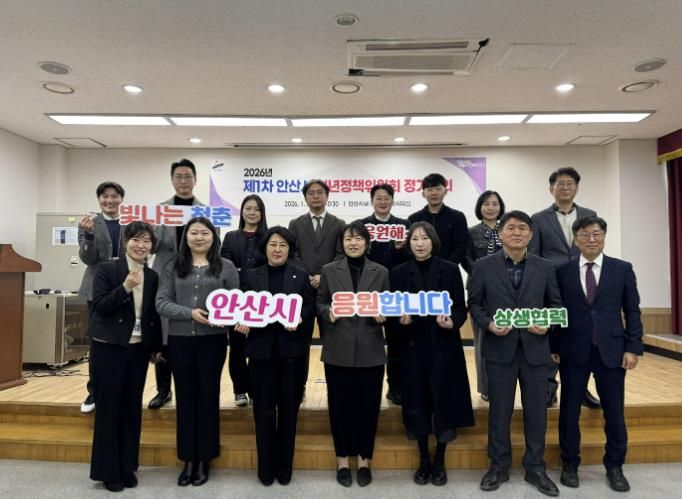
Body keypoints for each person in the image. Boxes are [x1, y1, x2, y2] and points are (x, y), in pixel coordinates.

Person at [468, 210, 562, 496]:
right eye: (511, 228)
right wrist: (488, 324)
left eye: (523, 228)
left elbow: (556, 305)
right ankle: (498, 466)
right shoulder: (483, 266)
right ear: (501, 233)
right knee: (499, 412)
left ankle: (535, 468)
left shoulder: (545, 267)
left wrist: (548, 323)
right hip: (500, 350)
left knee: (537, 412)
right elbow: (475, 303)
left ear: (531, 235)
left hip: (536, 351)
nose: (517, 232)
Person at [554, 216, 643, 492]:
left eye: (596, 234)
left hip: (612, 351)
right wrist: (554, 346)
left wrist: (633, 347)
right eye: (584, 234)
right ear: (575, 239)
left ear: (604, 237)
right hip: (573, 350)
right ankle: (570, 464)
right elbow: (556, 311)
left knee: (614, 412)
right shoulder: (562, 271)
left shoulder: (622, 269)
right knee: (569, 411)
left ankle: (615, 466)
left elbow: (632, 310)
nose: (591, 239)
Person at [156, 217, 239, 487]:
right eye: (194, 233)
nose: (199, 237)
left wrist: (225, 317)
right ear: (186, 237)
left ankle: (205, 458)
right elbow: (161, 302)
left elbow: (236, 302)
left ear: (214, 237)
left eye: (205, 233)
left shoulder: (226, 267)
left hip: (212, 342)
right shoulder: (172, 266)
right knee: (185, 398)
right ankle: (188, 458)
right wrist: (189, 313)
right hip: (179, 342)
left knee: (207, 397)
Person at [391, 221, 474, 486]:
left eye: (424, 238)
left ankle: (440, 459)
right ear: (408, 243)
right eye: (414, 239)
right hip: (412, 347)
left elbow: (459, 308)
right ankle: (423, 459)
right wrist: (400, 320)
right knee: (417, 403)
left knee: (443, 403)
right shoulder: (398, 272)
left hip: (443, 346)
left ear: (433, 241)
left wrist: (452, 322)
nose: (419, 243)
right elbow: (392, 310)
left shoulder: (449, 270)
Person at [88, 221, 162, 492]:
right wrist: (126, 287)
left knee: (131, 408)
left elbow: (151, 315)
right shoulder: (108, 269)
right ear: (125, 242)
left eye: (146, 241)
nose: (141, 245)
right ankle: (108, 471)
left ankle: (128, 465)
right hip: (109, 347)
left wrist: (155, 348)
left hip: (137, 350)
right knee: (109, 409)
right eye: (136, 240)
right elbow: (100, 306)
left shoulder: (152, 276)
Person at [239, 226, 315, 486]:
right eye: (273, 244)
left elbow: (309, 306)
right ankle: (265, 468)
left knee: (289, 412)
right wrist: (242, 319)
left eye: (283, 244)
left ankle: (285, 468)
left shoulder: (300, 275)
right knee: (263, 411)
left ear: (289, 249)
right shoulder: (251, 276)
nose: (278, 249)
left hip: (291, 354)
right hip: (261, 354)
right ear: (265, 248)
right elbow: (241, 306)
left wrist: (299, 318)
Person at [316, 221, 390, 487]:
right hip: (338, 348)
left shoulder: (381, 272)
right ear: (342, 243)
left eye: (358, 238)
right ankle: (342, 461)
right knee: (340, 408)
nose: (353, 243)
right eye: (348, 238)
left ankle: (364, 460)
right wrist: (328, 312)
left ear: (367, 243)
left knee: (368, 408)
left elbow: (388, 303)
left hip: (371, 349)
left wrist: (384, 314)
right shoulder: (329, 270)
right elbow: (320, 302)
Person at [529, 166, 600, 409]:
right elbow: (534, 255)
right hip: (552, 286)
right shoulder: (538, 218)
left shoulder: (589, 214)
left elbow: (594, 247)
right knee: (551, 336)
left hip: (583, 285)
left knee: (582, 337)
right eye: (560, 184)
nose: (565, 188)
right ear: (551, 189)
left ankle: (581, 389)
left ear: (576, 188)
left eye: (570, 184)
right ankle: (549, 389)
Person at [149, 158, 205, 410]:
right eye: (179, 176)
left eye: (187, 176)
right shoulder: (160, 210)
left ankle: (189, 387)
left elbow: (213, 243)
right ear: (172, 180)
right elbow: (152, 247)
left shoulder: (205, 211)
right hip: (165, 274)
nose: (183, 181)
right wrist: (155, 227)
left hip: (195, 275)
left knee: (188, 330)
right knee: (163, 333)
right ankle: (163, 390)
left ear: (195, 180)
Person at [288, 179, 345, 396]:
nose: (315, 196)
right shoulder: (295, 223)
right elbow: (293, 253)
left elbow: (341, 253)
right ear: (305, 198)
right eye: (311, 193)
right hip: (302, 289)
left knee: (332, 340)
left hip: (329, 290)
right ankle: (299, 386)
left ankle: (335, 385)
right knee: (300, 342)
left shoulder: (338, 223)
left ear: (327, 196)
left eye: (319, 192)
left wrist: (323, 275)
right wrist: (308, 276)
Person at [358, 183, 409, 405]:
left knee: (397, 342)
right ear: (372, 201)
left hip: (396, 291)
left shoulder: (404, 226)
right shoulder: (362, 226)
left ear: (392, 200)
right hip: (369, 290)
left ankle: (395, 387)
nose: (382, 201)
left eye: (386, 198)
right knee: (366, 338)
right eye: (378, 198)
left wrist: (403, 248)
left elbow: (412, 258)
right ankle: (365, 387)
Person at [77, 181, 126, 414]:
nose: (109, 200)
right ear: (99, 200)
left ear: (121, 199)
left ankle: (121, 390)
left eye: (114, 196)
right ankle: (94, 391)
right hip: (97, 287)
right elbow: (88, 259)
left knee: (126, 340)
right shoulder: (88, 223)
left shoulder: (131, 221)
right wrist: (88, 236)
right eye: (105, 196)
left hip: (127, 285)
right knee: (98, 342)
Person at [220, 194, 268, 407]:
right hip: (235, 298)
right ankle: (240, 390)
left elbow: (269, 267)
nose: (252, 212)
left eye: (256, 209)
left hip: (261, 299)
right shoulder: (231, 237)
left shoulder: (268, 237)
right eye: (248, 208)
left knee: (259, 346)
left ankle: (257, 389)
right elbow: (226, 266)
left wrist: (244, 271)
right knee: (237, 347)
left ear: (262, 212)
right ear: (241, 211)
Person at [463, 190, 506, 402]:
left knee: (504, 337)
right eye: (486, 203)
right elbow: (466, 258)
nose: (490, 208)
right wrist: (484, 276)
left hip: (505, 289)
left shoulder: (508, 230)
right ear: (480, 207)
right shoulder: (470, 232)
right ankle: (486, 387)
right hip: (478, 290)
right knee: (481, 341)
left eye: (495, 204)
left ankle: (503, 384)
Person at [407, 173, 469, 268]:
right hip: (419, 269)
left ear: (445, 191)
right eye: (430, 190)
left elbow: (460, 247)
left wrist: (446, 267)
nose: (434, 193)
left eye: (438, 189)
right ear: (423, 194)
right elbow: (410, 247)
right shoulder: (413, 219)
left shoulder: (457, 217)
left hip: (448, 270)